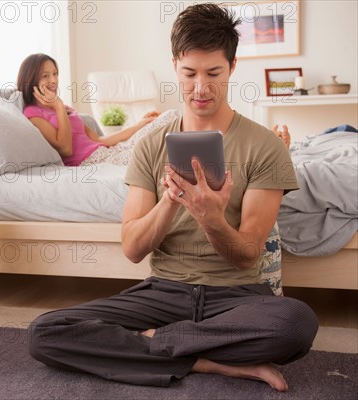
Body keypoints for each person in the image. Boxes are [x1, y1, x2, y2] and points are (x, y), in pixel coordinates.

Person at [28, 3, 318, 392]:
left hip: (236, 298)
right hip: (164, 292)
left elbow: (248, 253)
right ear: (174, 66)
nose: (200, 88)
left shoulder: (265, 147)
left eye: (213, 73)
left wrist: (212, 218)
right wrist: (170, 201)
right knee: (45, 331)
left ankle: (154, 343)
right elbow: (132, 248)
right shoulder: (149, 147)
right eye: (189, 73)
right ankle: (205, 359)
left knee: (296, 324)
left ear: (232, 67)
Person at [17, 53, 164, 166]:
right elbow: (66, 149)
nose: (54, 80)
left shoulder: (66, 109)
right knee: (157, 153)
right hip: (92, 161)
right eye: (46, 76)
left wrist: (139, 124)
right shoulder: (33, 113)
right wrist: (58, 107)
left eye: (55, 73)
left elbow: (100, 139)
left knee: (168, 118)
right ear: (32, 80)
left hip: (107, 152)